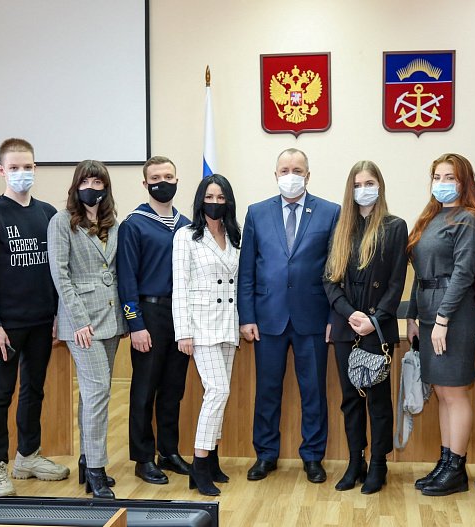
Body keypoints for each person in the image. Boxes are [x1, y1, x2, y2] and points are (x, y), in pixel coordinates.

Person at [0, 138, 70, 496]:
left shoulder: (47, 214)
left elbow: (58, 270)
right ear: (2, 170)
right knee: (0, 394)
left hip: (42, 321)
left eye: (27, 167)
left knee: (34, 390)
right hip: (7, 325)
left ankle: (28, 456)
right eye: (14, 167)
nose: (21, 173)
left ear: (35, 168)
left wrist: (58, 315)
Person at [237, 148, 340, 484]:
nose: (291, 175)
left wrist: (333, 317)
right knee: (267, 391)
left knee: (314, 392)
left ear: (308, 175)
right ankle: (265, 454)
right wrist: (246, 316)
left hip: (313, 318)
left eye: (297, 170)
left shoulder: (330, 212)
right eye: (285, 170)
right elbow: (247, 270)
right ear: (276, 174)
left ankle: (313, 456)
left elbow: (335, 271)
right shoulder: (257, 212)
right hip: (268, 318)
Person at [406, 153, 475, 497]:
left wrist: (442, 319)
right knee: (442, 392)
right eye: (437, 177)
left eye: (450, 178)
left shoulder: (468, 219)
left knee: (455, 393)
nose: (442, 183)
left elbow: (462, 273)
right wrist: (412, 316)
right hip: (429, 316)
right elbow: (420, 273)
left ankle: (456, 469)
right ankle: (445, 463)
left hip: (453, 317)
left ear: (464, 182)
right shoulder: (431, 217)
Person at [323, 161, 407, 494]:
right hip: (347, 326)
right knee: (350, 398)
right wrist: (349, 315)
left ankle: (379, 463)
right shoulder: (340, 227)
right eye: (357, 184)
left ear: (380, 186)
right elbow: (329, 280)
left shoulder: (394, 226)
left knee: (377, 400)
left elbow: (397, 282)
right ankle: (355, 461)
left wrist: (374, 319)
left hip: (377, 328)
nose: (363, 189)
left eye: (369, 183)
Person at [48, 160, 126, 499]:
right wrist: (79, 320)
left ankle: (86, 459)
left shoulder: (113, 223)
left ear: (106, 187)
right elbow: (61, 275)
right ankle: (96, 469)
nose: (91, 188)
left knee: (93, 393)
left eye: (98, 182)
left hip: (110, 319)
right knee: (98, 392)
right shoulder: (62, 221)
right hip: (81, 322)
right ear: (76, 185)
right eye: (86, 181)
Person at [117, 156, 192, 485]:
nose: (163, 182)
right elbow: (126, 279)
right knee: (145, 389)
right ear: (145, 183)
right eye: (156, 178)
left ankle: (169, 451)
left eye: (169, 177)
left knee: (174, 388)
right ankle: (143, 457)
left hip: (180, 315)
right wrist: (135, 324)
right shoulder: (133, 224)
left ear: (177, 180)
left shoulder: (186, 225)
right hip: (149, 313)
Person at [172, 174, 241, 496]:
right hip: (200, 327)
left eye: (221, 197)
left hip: (227, 323)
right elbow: (180, 286)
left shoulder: (235, 235)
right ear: (201, 200)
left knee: (220, 394)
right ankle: (198, 464)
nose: (215, 203)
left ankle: (212, 459)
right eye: (209, 197)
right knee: (217, 391)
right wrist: (183, 332)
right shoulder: (186, 236)